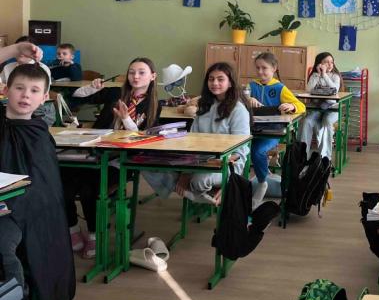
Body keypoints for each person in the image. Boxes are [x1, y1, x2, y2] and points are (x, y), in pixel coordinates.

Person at [0, 43, 75, 300]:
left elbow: (44, 191)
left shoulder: (39, 135)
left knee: (5, 246)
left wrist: (11, 205)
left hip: (28, 213)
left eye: (34, 91)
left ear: (44, 98)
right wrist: (14, 49)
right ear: (6, 90)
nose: (25, 95)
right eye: (19, 88)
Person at [64, 57, 161, 258]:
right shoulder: (116, 93)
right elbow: (74, 98)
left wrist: (126, 119)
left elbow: (143, 138)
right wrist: (90, 88)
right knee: (62, 179)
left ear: (153, 76)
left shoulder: (154, 105)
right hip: (94, 153)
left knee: (89, 188)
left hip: (121, 161)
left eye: (141, 72)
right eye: (131, 72)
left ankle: (94, 234)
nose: (135, 76)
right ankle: (72, 229)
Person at [144, 63, 250, 204]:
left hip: (226, 163)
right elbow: (191, 141)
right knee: (149, 166)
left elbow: (241, 149)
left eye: (220, 79)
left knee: (200, 180)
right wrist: (186, 172)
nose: (215, 83)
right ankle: (192, 193)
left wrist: (225, 177)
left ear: (230, 83)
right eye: (211, 79)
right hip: (200, 161)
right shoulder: (205, 106)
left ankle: (196, 193)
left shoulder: (238, 110)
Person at [246, 52, 305, 205]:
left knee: (257, 151)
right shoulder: (251, 86)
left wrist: (291, 106)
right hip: (252, 130)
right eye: (257, 68)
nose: (260, 72)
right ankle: (241, 187)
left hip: (272, 131)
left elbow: (301, 106)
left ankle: (262, 182)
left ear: (274, 68)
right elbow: (239, 100)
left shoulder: (280, 88)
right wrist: (247, 99)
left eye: (264, 68)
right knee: (241, 151)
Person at [299, 52, 340, 161]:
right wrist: (318, 74)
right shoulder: (315, 75)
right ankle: (302, 157)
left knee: (327, 122)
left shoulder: (335, 76)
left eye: (331, 62)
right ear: (319, 64)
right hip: (317, 109)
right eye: (326, 62)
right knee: (306, 122)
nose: (330, 64)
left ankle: (325, 158)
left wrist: (325, 75)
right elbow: (309, 89)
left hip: (332, 109)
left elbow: (334, 90)